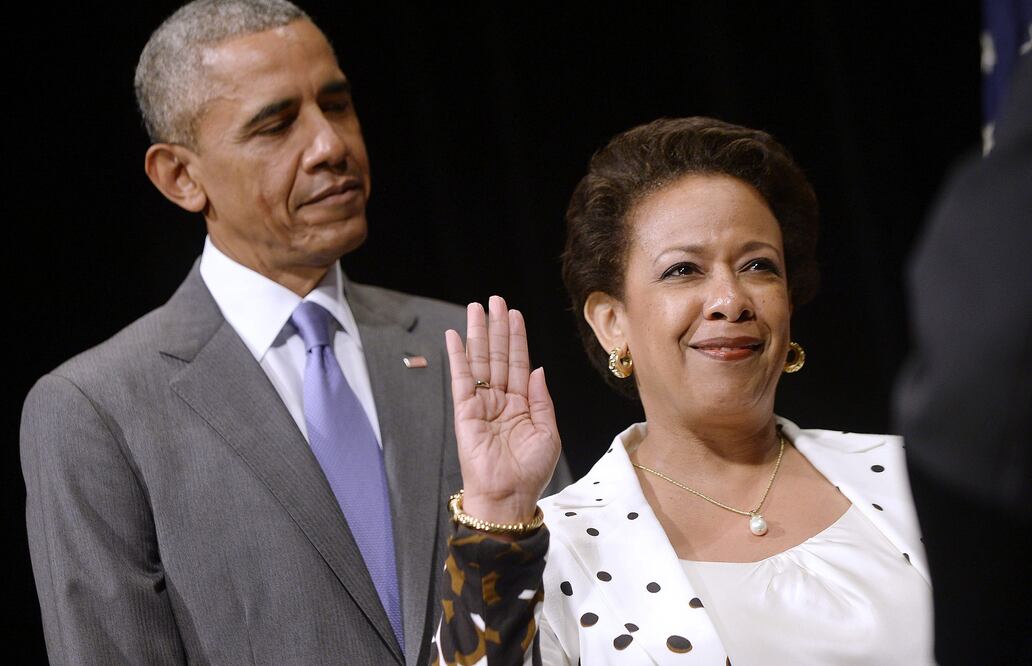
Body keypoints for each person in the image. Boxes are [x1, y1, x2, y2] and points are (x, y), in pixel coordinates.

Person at [19, 1, 569, 663]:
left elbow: (568, 617)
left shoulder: (465, 346)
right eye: (276, 125)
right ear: (180, 176)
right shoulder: (97, 409)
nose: (331, 145)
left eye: (336, 106)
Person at [433, 117, 933, 665]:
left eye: (758, 266)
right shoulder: (556, 548)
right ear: (611, 322)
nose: (730, 299)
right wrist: (498, 509)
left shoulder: (910, 477)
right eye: (683, 271)